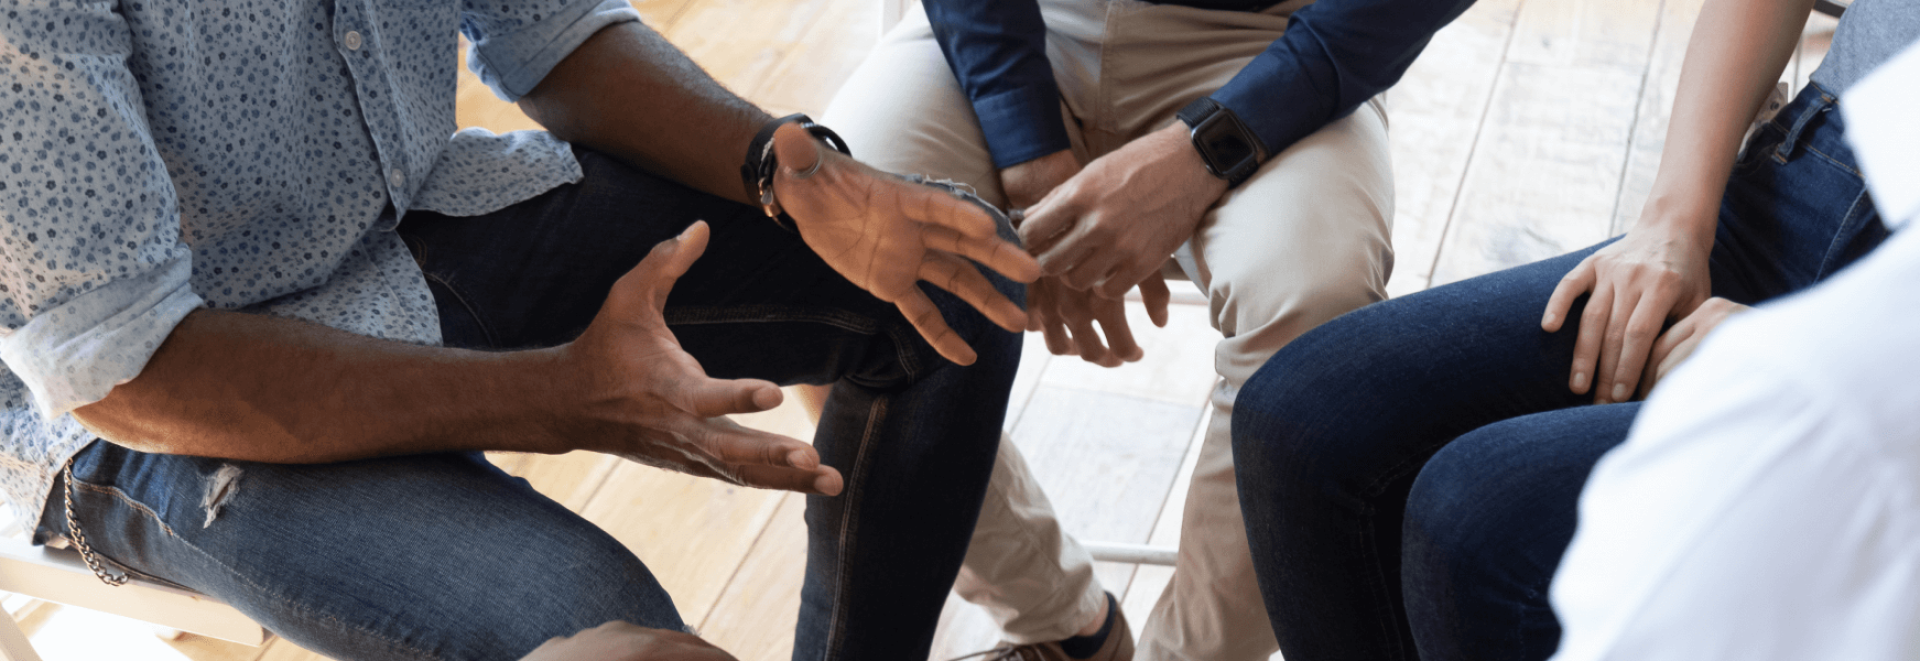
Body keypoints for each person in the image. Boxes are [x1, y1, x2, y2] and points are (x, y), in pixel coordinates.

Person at [0, 0, 1044, 657]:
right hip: (151, 404)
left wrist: (787, 166)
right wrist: (565, 398)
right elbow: (121, 364)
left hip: (410, 214)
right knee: (611, 632)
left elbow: (550, 29)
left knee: (952, 273)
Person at [1229, 0, 1915, 657]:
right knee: (1303, 418)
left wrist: (1815, 348)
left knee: (1482, 522)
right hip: (1818, 161)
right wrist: (1674, 221)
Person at [818, 0, 1473, 656]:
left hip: (1271, 45)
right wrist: (1028, 146)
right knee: (816, 250)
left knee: (1316, 305)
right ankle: (1061, 626)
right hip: (1018, 23)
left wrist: (1208, 148)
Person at [1548, 39, 1920, 661]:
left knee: (1476, 519)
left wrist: (1795, 344)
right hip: (1818, 147)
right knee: (1338, 406)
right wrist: (1673, 220)